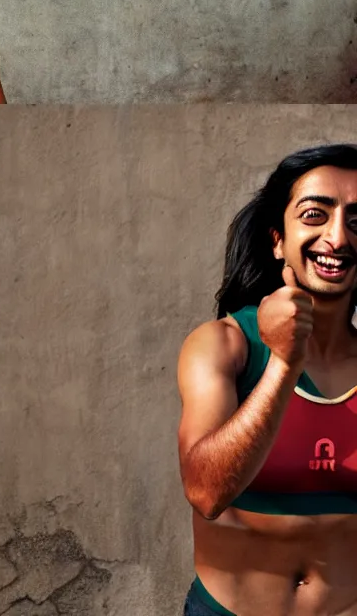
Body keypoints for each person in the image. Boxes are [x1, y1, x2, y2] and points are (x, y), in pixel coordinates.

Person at [176, 144, 357, 616]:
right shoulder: (223, 345)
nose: (337, 238)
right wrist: (282, 361)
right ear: (278, 238)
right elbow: (206, 493)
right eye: (315, 215)